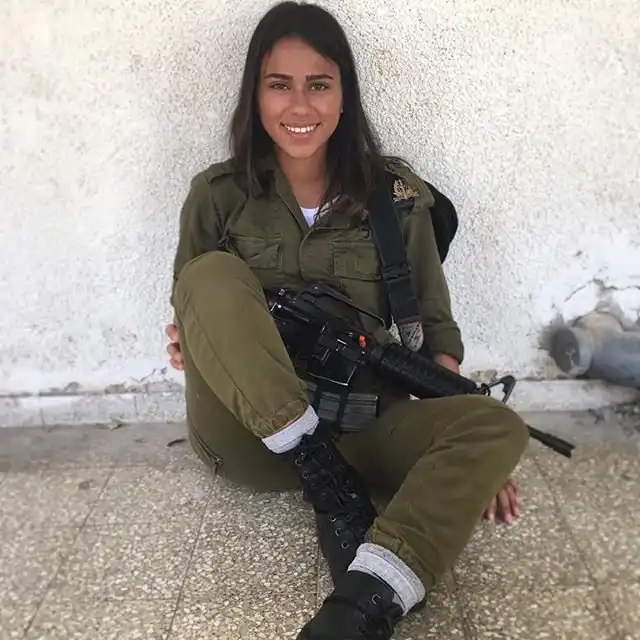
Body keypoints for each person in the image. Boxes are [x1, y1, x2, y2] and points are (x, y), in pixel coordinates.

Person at [166, 2, 528, 638]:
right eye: (279, 84)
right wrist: (199, 337)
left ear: (345, 96)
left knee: (496, 425)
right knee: (209, 275)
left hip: (364, 425)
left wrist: (467, 460)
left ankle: (365, 602)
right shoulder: (218, 196)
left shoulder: (397, 198)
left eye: (319, 84)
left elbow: (431, 333)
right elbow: (193, 306)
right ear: (255, 95)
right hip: (252, 442)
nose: (299, 105)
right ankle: (324, 475)